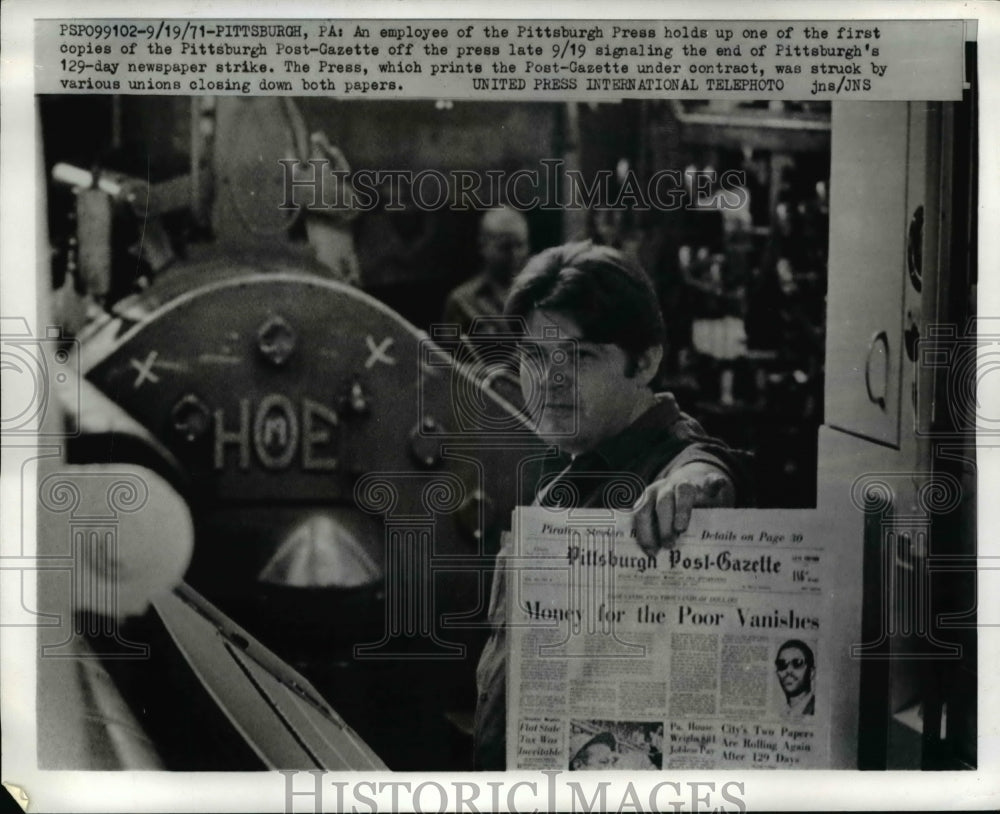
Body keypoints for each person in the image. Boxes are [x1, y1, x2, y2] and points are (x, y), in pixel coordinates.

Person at [473, 240, 750, 770]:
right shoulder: (576, 458)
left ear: (645, 362)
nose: (548, 382)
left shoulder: (667, 463)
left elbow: (708, 470)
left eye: (579, 357)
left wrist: (698, 485)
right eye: (535, 356)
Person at [442, 207, 530, 336]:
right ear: (483, 245)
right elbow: (449, 354)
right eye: (505, 247)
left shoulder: (542, 295)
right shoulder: (462, 302)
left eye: (520, 245)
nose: (515, 255)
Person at [775, 639, 816, 716]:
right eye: (782, 664)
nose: (788, 670)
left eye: (797, 663)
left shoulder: (816, 709)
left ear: (811, 672)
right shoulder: (781, 713)